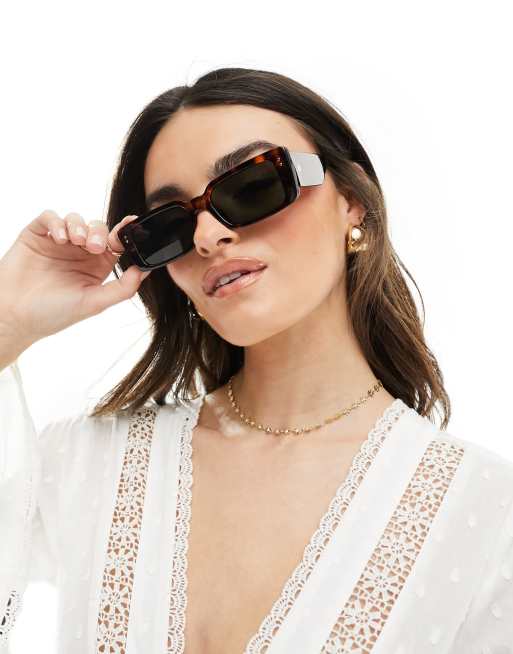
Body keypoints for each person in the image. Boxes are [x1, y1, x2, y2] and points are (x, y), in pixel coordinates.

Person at [1, 67, 512, 654]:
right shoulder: (81, 464)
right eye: (171, 224)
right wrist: (7, 323)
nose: (207, 237)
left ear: (352, 202)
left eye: (253, 186)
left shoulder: (486, 514)